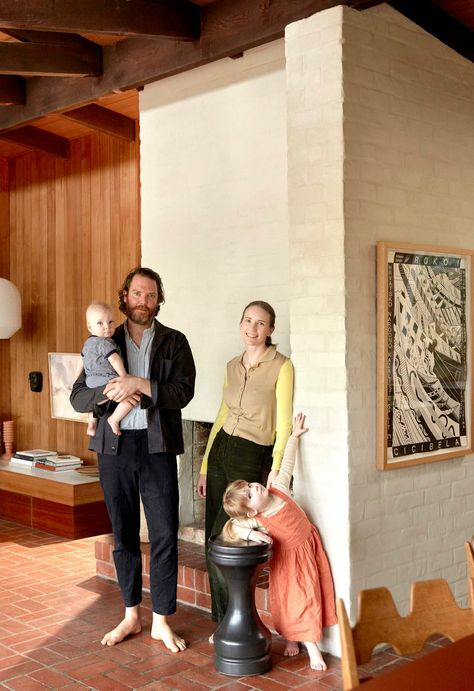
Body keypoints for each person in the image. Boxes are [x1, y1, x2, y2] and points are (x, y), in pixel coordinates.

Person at [70, 267, 196, 652]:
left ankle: (161, 620)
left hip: (157, 448)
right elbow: (78, 396)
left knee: (163, 534)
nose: (144, 301)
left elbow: (183, 393)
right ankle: (131, 614)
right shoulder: (103, 337)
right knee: (123, 533)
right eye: (137, 294)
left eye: (151, 295)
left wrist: (140, 384)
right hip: (115, 449)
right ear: (124, 297)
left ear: (160, 300)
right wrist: (109, 394)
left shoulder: (175, 342)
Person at [196, 300, 293, 623]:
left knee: (228, 534)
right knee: (212, 537)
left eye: (261, 324)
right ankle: (221, 619)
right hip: (222, 446)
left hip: (250, 451)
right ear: (240, 324)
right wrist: (205, 465)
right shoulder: (231, 366)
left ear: (271, 330)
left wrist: (276, 467)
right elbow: (221, 414)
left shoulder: (282, 366)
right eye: (248, 321)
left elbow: (284, 422)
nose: (253, 329)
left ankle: (236, 619)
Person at [222, 413, 337, 671]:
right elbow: (233, 526)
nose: (256, 488)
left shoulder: (279, 488)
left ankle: (297, 637)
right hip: (289, 562)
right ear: (251, 511)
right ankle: (310, 647)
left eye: (251, 486)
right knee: (295, 600)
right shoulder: (258, 519)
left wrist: (294, 437)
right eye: (250, 495)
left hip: (308, 548)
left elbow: (287, 464)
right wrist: (253, 535)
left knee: (310, 596)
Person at [80, 301, 135, 437]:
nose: (107, 327)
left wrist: (77, 380)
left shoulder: (87, 343)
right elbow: (114, 359)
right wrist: (124, 377)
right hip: (107, 380)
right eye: (100, 323)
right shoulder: (105, 342)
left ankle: (92, 423)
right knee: (132, 397)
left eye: (111, 322)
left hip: (91, 382)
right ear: (90, 327)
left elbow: (80, 362)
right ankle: (114, 419)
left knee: (96, 403)